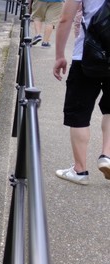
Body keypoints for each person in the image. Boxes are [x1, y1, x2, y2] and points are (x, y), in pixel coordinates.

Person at [53, 0, 110, 185]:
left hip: (86, 55)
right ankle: (107, 156)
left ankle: (80, 170)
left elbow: (65, 18)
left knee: (79, 112)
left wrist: (60, 56)